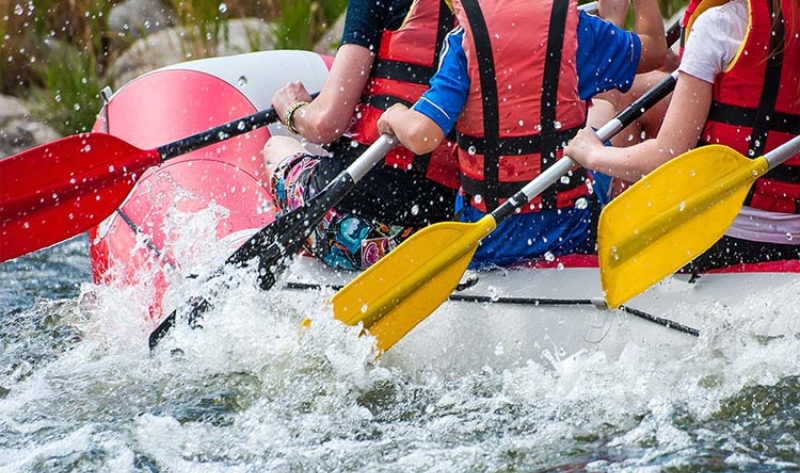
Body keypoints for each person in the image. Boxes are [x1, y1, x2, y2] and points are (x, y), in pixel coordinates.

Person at [376, 0, 668, 268]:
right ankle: (628, 254)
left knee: (605, 101)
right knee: (608, 102)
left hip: (491, 239)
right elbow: (655, 51)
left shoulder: (464, 40)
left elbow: (421, 136)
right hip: (571, 230)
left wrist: (394, 114)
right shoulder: (575, 27)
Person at [564, 0, 800, 271]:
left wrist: (593, 154)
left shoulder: (718, 26)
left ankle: (618, 255)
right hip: (793, 241)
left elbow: (665, 156)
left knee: (615, 100)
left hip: (721, 237)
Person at [264, 0, 460, 271]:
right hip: (445, 232)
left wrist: (292, 110)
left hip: (352, 226)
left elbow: (325, 125)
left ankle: (300, 252)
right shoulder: (489, 14)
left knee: (277, 146)